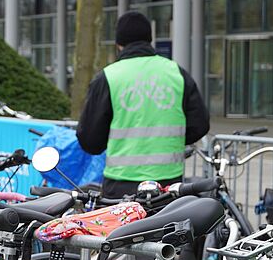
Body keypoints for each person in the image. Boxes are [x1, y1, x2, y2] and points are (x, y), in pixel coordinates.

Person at [77, 11, 209, 199]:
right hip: (169, 184)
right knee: (168, 229)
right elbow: (200, 124)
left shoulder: (108, 77)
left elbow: (89, 140)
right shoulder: (176, 73)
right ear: (150, 40)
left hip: (121, 184)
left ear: (118, 45)